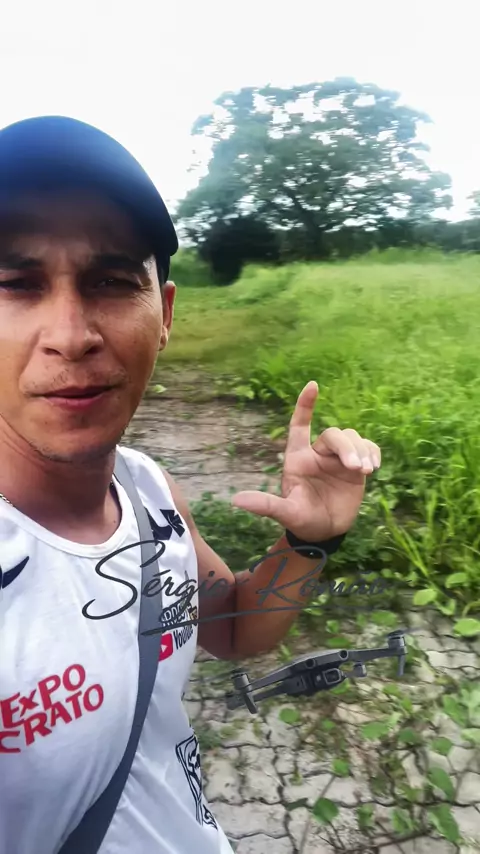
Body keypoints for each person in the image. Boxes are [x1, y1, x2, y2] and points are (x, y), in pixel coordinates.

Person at [0, 115, 381, 854]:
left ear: (165, 314)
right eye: (16, 284)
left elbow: (233, 627)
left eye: (112, 281)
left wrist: (309, 541)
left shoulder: (147, 488)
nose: (71, 335)